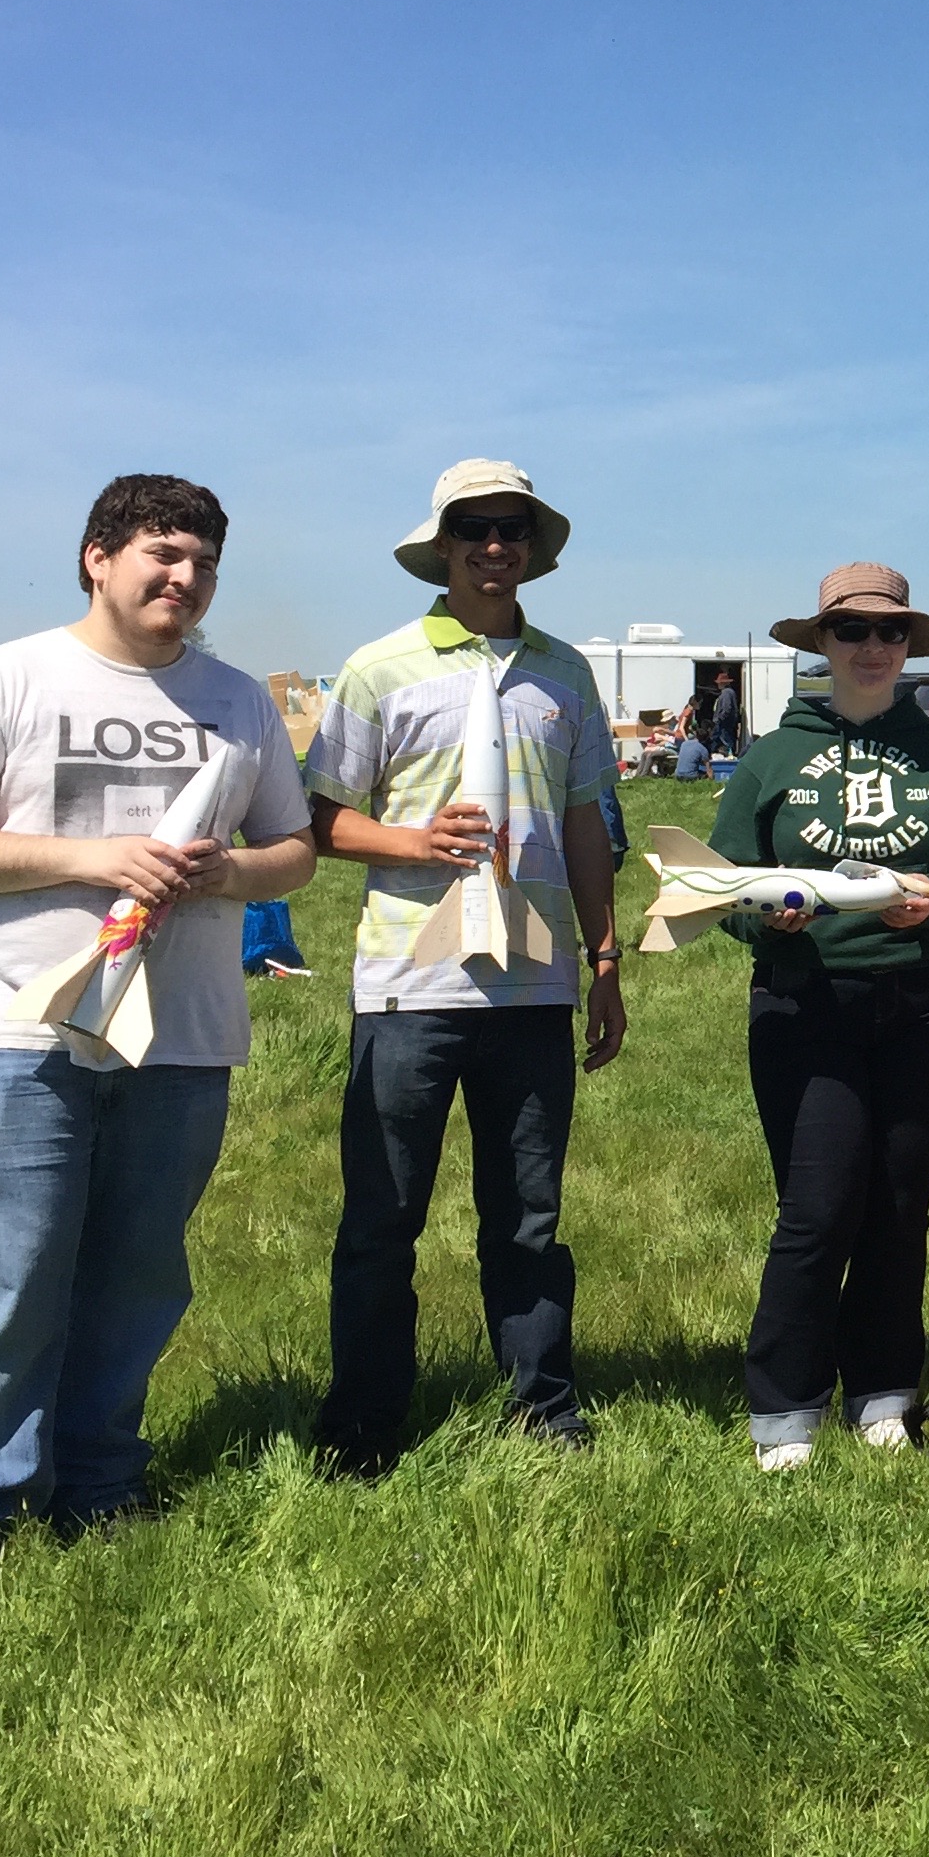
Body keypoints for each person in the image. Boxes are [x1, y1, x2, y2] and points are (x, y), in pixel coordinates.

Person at [0, 473, 317, 1610]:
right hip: (15, 1031)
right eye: (163, 555)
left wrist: (231, 873)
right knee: (10, 1279)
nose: (184, 579)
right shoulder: (15, 676)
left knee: (136, 1277)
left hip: (182, 1037)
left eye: (204, 564)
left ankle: (98, 1483)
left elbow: (296, 854)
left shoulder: (237, 701)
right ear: (97, 557)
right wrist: (95, 858)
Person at [304, 461, 628, 1478]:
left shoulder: (566, 674)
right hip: (410, 988)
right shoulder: (378, 668)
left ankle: (545, 1410)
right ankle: (362, 1425)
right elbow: (317, 819)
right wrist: (411, 844)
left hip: (534, 989)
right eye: (476, 529)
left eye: (514, 530)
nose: (496, 546)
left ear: (535, 548)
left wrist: (605, 956)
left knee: (529, 1217)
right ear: (442, 547)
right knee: (382, 1218)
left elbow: (585, 823)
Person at [719, 563, 929, 1470]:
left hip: (927, 1005)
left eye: (889, 633)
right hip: (805, 1001)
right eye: (851, 631)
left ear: (909, 647)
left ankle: (885, 1389)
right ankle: (785, 1405)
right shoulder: (774, 757)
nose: (871, 648)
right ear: (821, 643)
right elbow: (716, 879)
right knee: (816, 1208)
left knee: (900, 1204)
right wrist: (761, 912)